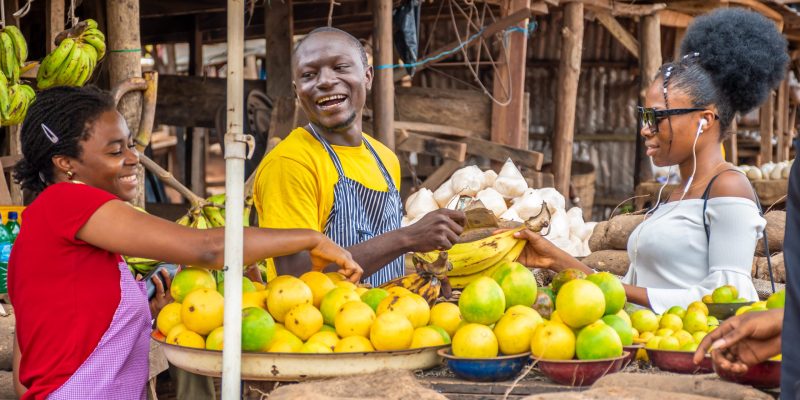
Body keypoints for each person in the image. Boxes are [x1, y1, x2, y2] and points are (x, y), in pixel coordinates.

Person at [8, 86, 361, 400]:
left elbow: (30, 371)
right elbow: (208, 248)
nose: (133, 158)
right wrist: (310, 237)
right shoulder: (65, 202)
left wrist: (146, 315)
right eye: (115, 151)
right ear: (66, 163)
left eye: (131, 144)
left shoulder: (47, 229)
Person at [513, 8, 788, 313]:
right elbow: (633, 289)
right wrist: (555, 259)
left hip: (688, 354)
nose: (645, 129)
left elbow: (730, 300)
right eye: (643, 115)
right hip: (645, 348)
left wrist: (609, 286)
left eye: (657, 117)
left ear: (705, 120)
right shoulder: (675, 193)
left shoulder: (728, 187)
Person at [253, 27, 464, 287]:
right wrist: (406, 238)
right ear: (297, 90)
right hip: (317, 324)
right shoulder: (290, 164)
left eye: (340, 67)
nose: (325, 81)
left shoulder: (385, 159)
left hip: (385, 318)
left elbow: (383, 260)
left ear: (367, 76)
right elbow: (295, 277)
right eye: (309, 74)